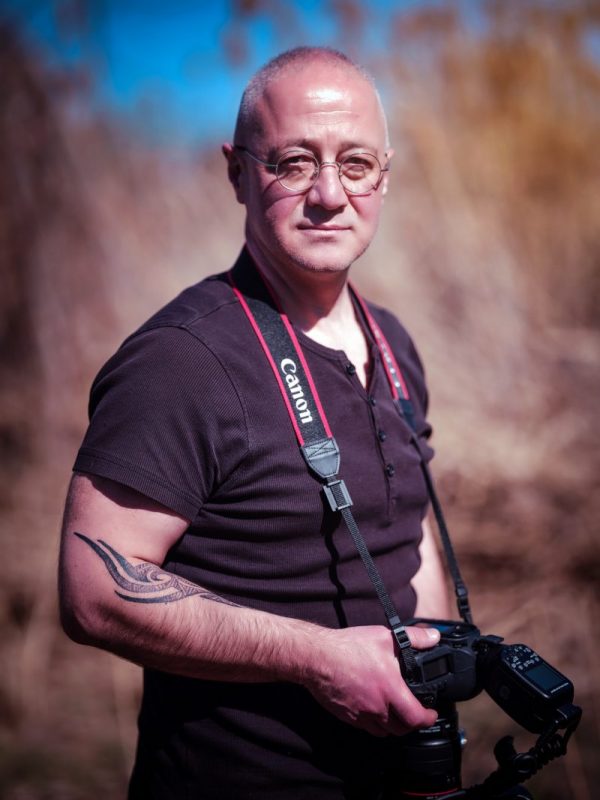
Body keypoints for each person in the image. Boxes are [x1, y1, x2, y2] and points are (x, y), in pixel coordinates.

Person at [59, 46, 451, 800]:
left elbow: (412, 530)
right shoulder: (182, 359)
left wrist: (436, 693)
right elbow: (92, 590)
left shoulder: (393, 340)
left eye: (357, 163)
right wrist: (317, 660)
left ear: (386, 175)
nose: (330, 194)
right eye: (294, 163)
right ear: (236, 172)